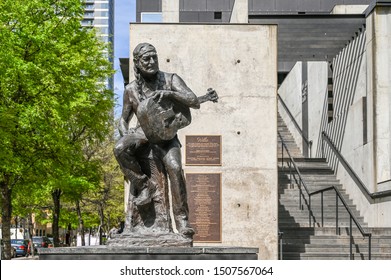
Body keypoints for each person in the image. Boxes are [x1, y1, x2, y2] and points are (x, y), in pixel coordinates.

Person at [114, 43, 203, 237]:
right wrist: (125, 134)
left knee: (175, 168)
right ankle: (145, 185)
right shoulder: (131, 90)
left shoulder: (170, 79)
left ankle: (182, 221)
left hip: (167, 138)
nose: (152, 61)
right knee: (120, 148)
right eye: (147, 58)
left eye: (154, 57)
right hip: (142, 134)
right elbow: (123, 119)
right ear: (137, 63)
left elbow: (194, 101)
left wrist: (171, 93)